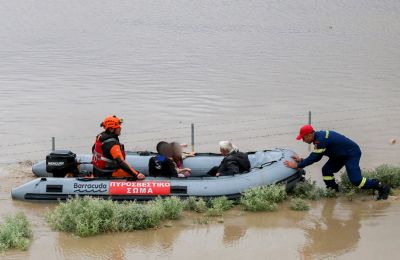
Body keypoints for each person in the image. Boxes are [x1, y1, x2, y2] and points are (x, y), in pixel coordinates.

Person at [284, 125, 390, 200]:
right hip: (339, 155)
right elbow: (317, 156)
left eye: (303, 138)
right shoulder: (318, 138)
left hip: (351, 154)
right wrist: (302, 160)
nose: (302, 140)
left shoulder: (320, 140)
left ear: (308, 135)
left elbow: (314, 158)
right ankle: (334, 190)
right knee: (326, 170)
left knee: (357, 181)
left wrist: (298, 165)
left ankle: (380, 186)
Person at [92, 115, 145, 180]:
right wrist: (137, 174)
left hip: (97, 172)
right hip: (109, 174)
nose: (120, 128)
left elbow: (93, 150)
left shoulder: (100, 136)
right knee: (139, 175)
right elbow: (121, 163)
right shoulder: (113, 144)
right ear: (111, 129)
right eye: (118, 127)